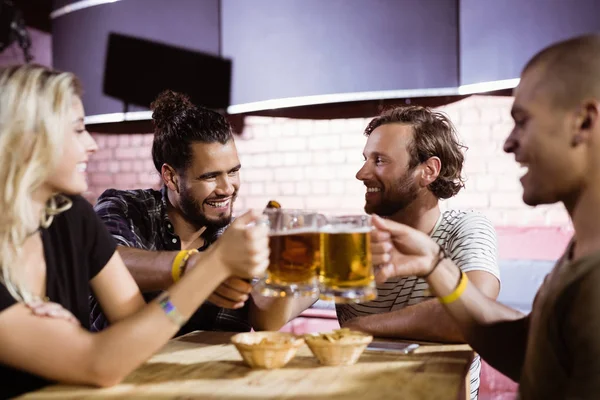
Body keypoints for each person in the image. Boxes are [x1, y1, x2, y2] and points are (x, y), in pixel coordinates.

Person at [0, 64, 270, 398]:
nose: (92, 145)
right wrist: (212, 265)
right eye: (77, 130)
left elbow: (136, 335)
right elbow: (99, 363)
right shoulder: (120, 208)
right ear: (25, 140)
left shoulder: (71, 217)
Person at [371, 33, 600, 399]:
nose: (509, 142)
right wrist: (434, 265)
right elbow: (528, 352)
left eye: (522, 121)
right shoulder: (583, 252)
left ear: (584, 122)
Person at [90, 90, 311, 335]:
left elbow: (265, 322)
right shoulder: (126, 208)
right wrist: (193, 265)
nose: (227, 188)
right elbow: (104, 261)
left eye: (233, 171)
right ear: (171, 177)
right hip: (123, 369)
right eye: (210, 176)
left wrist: (287, 265)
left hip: (211, 372)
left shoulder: (237, 237)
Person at [335, 106, 501, 399]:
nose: (362, 173)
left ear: (428, 171)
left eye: (380, 161)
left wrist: (361, 327)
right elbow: (268, 320)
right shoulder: (350, 238)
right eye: (365, 159)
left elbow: (474, 315)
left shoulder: (465, 227)